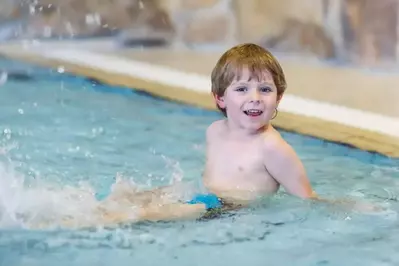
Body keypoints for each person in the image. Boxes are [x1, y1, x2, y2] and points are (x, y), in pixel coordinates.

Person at [58, 43, 381, 229]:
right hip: (203, 194)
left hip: (224, 208)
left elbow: (307, 199)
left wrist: (349, 206)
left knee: (141, 216)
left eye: (265, 89)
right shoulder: (215, 130)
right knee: (133, 196)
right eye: (242, 89)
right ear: (220, 99)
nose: (255, 97)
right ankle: (80, 208)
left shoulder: (273, 148)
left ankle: (77, 224)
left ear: (278, 98)